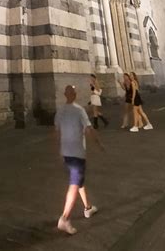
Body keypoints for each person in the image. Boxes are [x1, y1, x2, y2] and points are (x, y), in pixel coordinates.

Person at [55, 84, 104, 235]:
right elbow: (89, 129)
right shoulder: (79, 110)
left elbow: (56, 131)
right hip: (77, 153)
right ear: (75, 95)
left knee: (79, 182)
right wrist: (99, 144)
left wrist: (59, 150)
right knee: (74, 185)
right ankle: (65, 218)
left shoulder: (60, 111)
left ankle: (88, 208)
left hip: (67, 154)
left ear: (65, 94)